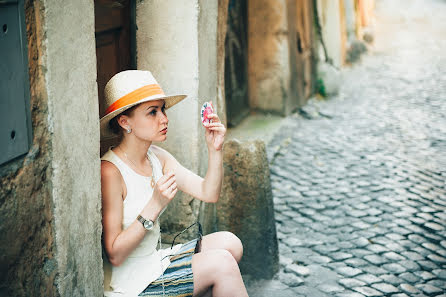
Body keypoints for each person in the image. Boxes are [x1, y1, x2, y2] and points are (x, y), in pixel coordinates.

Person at [100, 70, 249, 297]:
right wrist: (154, 205)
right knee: (222, 264)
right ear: (124, 122)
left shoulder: (157, 156)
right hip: (130, 284)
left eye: (162, 109)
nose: (164, 118)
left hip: (155, 262)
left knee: (230, 243)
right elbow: (115, 254)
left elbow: (208, 193)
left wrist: (215, 149)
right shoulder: (110, 171)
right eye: (152, 112)